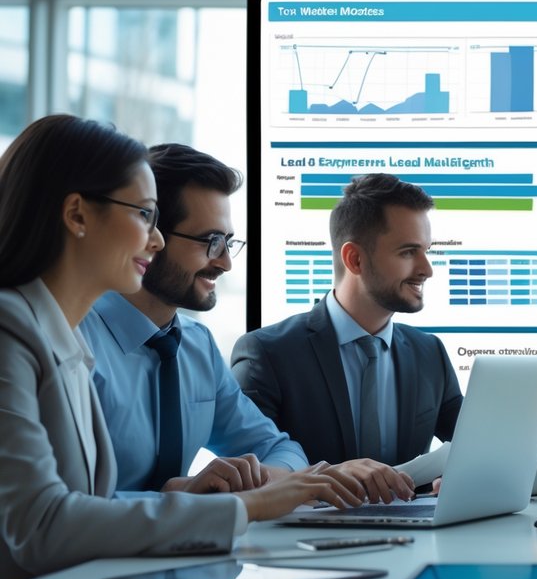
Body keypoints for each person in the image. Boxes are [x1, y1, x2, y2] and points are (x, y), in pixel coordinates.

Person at [0, 115, 361, 579]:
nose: (154, 239)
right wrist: (238, 505)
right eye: (144, 215)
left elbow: (89, 503)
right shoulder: (21, 329)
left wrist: (249, 489)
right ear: (78, 215)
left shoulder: (63, 335)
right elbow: (46, 524)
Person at [80, 143, 407, 503]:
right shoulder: (75, 342)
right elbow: (55, 509)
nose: (225, 263)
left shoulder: (195, 346)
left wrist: (250, 479)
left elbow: (281, 449)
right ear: (151, 236)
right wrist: (180, 498)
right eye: (210, 241)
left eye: (228, 242)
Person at [232, 173, 462, 473]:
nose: (426, 269)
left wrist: (462, 477)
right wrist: (327, 480)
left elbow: (480, 447)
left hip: (413, 520)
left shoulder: (429, 353)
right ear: (354, 259)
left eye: (426, 251)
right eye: (408, 252)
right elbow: (253, 475)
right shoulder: (267, 354)